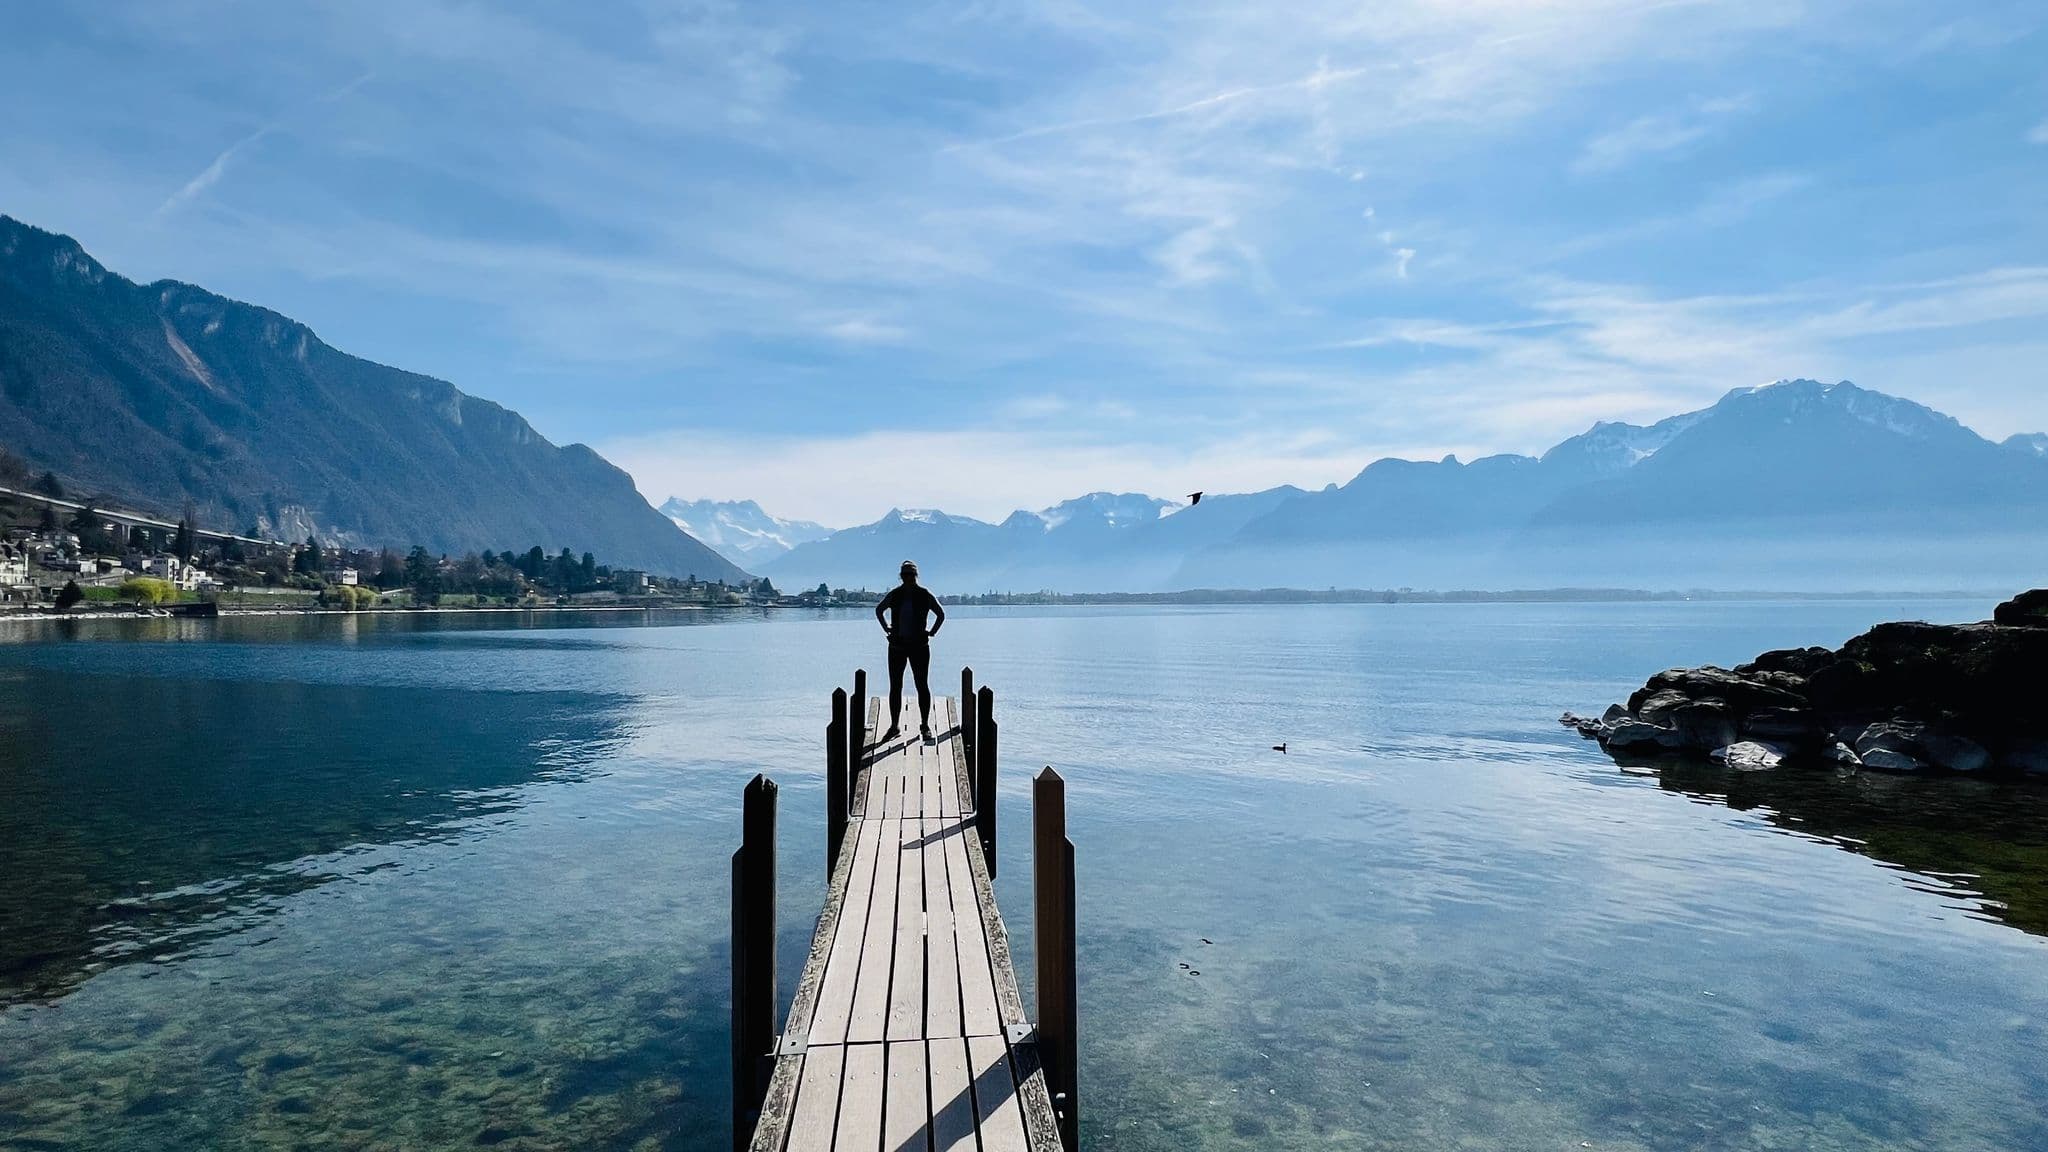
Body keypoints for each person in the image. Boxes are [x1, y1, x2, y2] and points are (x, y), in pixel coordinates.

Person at [875, 559, 944, 741]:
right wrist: (887, 629)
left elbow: (941, 614)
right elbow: (879, 610)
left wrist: (932, 632)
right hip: (897, 645)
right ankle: (894, 726)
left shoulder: (924, 594)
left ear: (916, 576)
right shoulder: (895, 594)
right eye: (905, 575)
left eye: (911, 575)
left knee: (922, 685)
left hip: (919, 646)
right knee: (895, 686)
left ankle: (925, 725)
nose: (908, 578)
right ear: (901, 576)